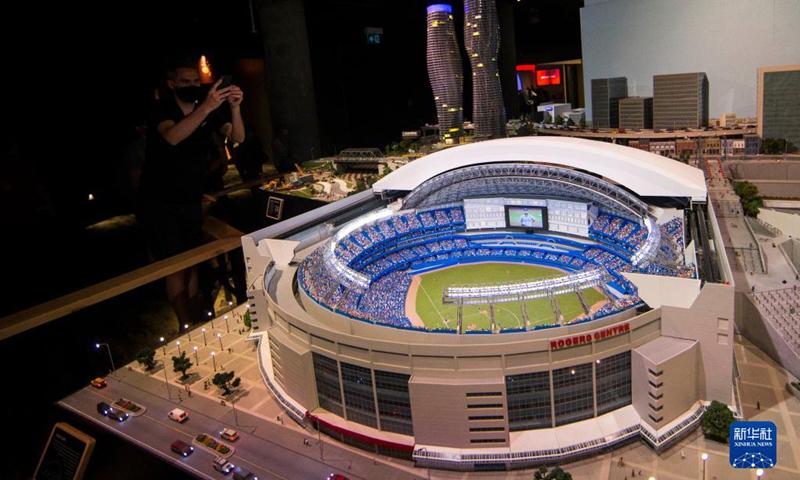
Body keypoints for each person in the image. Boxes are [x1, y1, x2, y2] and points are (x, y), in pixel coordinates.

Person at [137, 56, 244, 329]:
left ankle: (196, 319)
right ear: (173, 84)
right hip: (159, 201)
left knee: (193, 260)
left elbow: (238, 137)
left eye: (196, 81)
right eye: (186, 81)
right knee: (175, 264)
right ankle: (184, 323)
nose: (193, 85)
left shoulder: (206, 110)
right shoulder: (162, 110)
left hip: (189, 198)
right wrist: (207, 107)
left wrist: (234, 108)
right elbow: (173, 137)